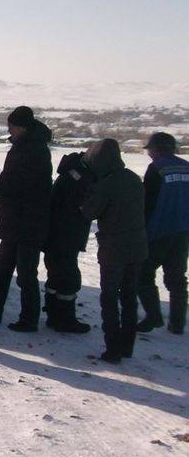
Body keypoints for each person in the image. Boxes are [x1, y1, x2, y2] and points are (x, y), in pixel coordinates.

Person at [0, 106, 53, 332]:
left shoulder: (33, 150)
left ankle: (29, 319)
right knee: (1, 270)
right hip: (16, 221)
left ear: (22, 127)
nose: (9, 130)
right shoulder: (24, 147)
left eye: (12, 126)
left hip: (29, 222)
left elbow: (12, 180)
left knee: (26, 274)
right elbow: (9, 178)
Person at [80, 139, 147, 363]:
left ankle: (113, 349)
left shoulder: (106, 185)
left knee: (109, 298)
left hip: (114, 249)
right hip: (138, 246)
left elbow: (89, 213)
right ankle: (127, 345)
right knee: (129, 297)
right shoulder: (133, 178)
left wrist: (86, 194)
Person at [136, 132, 189, 335]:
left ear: (157, 149)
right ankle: (177, 323)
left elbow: (147, 202)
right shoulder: (186, 167)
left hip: (158, 231)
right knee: (177, 279)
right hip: (182, 231)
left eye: (150, 149)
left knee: (143, 274)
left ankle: (153, 316)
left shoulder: (157, 169)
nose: (149, 153)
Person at [42, 151, 94, 333]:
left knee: (56, 276)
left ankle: (54, 315)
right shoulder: (81, 179)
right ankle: (65, 319)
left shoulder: (70, 174)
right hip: (67, 237)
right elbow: (87, 209)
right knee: (68, 279)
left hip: (56, 236)